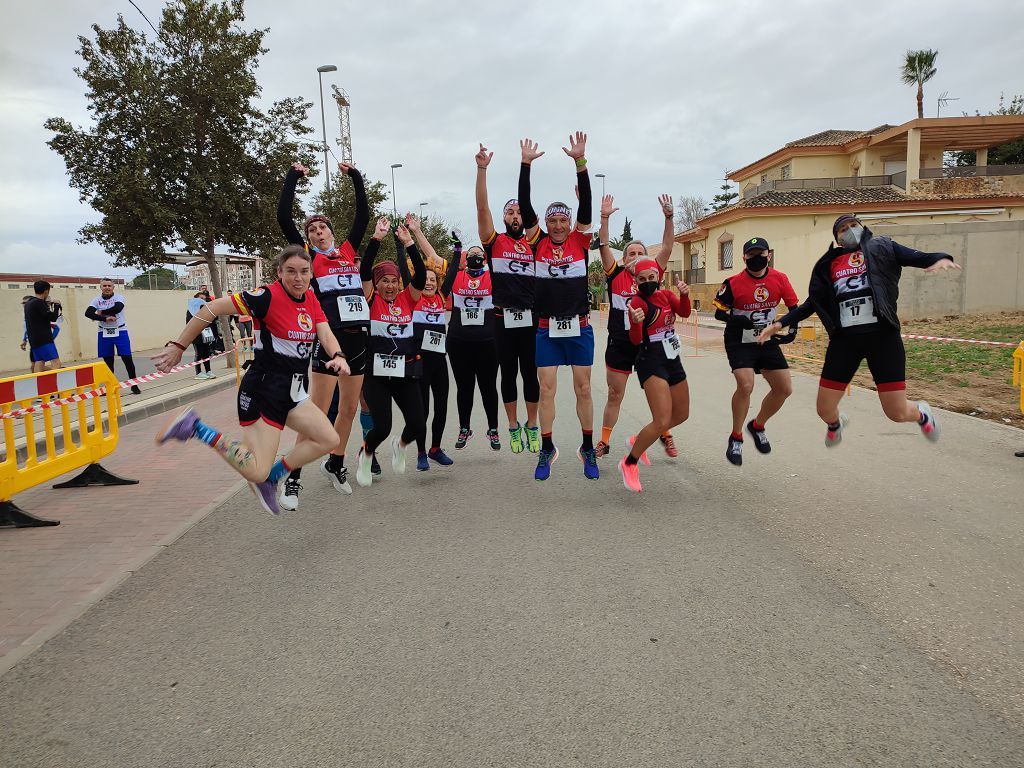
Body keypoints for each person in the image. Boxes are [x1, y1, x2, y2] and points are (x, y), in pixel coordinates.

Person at [153, 245, 350, 516]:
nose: (298, 278)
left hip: (293, 392)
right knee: (257, 469)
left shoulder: (311, 299)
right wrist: (179, 344)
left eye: (304, 272)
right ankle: (196, 427)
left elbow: (325, 334)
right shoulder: (265, 297)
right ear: (279, 272)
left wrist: (338, 355)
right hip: (264, 390)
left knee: (328, 439)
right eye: (290, 272)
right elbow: (211, 308)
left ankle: (272, 478)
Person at [758, 214, 961, 445]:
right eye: (842, 229)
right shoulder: (829, 263)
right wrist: (778, 324)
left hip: (882, 337)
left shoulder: (882, 247)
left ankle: (922, 413)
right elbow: (811, 303)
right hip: (845, 341)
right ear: (838, 239)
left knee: (896, 412)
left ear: (863, 228)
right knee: (824, 409)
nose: (850, 230)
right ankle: (836, 423)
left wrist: (941, 258)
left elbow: (917, 256)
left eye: (853, 225)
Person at [276, 160, 369, 509]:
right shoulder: (308, 259)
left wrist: (355, 178)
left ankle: (336, 463)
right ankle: (295, 477)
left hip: (359, 341)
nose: (317, 232)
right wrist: (293, 177)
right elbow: (284, 217)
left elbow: (363, 214)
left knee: (347, 411)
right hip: (331, 344)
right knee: (317, 410)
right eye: (312, 229)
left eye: (322, 227)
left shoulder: (346, 251)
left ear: (331, 231)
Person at [518, 132, 598, 481]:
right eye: (553, 221)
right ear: (545, 224)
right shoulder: (536, 243)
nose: (559, 225)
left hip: (578, 326)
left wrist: (580, 164)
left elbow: (587, 207)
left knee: (582, 388)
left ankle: (587, 446)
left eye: (563, 220)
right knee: (546, 388)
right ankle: (547, 447)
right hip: (547, 329)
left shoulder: (581, 240)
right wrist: (525, 165)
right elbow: (524, 206)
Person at [596, 193, 679, 459]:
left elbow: (667, 246)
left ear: (647, 258)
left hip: (649, 344)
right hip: (620, 344)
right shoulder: (615, 273)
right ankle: (604, 441)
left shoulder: (653, 273)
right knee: (614, 393)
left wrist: (669, 218)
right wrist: (605, 218)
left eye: (640, 253)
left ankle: (665, 434)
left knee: (659, 394)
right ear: (623, 259)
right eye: (630, 253)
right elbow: (604, 245)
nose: (635, 257)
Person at [475, 143, 540, 453]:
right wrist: (482, 169)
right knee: (509, 374)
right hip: (502, 317)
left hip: (530, 317)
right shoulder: (494, 241)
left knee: (531, 373)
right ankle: (512, 426)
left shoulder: (533, 243)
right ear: (503, 218)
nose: (515, 215)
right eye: (510, 211)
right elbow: (481, 209)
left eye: (518, 212)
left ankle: (532, 424)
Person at [355, 216, 428, 487]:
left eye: (393, 281)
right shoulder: (370, 298)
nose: (390, 285)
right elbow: (364, 275)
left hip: (405, 370)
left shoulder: (407, 298)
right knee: (382, 427)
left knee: (418, 426)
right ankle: (367, 452)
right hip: (376, 375)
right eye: (384, 281)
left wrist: (409, 243)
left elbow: (420, 275)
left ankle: (401, 445)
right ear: (376, 284)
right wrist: (376, 238)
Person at [713, 238, 799, 465]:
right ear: (744, 259)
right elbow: (719, 313)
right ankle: (736, 437)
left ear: (768, 254)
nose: (756, 258)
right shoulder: (732, 283)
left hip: (766, 338)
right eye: (751, 255)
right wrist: (736, 318)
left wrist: (793, 330)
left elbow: (794, 308)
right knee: (746, 384)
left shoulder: (780, 278)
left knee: (784, 389)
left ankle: (757, 425)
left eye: (760, 253)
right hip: (739, 340)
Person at [619, 261, 692, 492]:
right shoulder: (637, 302)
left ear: (658, 277)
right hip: (650, 359)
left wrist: (684, 295)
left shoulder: (666, 296)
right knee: (661, 419)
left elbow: (685, 312)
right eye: (642, 279)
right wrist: (636, 322)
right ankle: (629, 462)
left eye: (651, 277)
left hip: (673, 356)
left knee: (681, 414)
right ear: (636, 282)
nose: (647, 282)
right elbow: (635, 340)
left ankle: (641, 438)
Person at [397, 220, 455, 471]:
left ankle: (435, 448)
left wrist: (459, 250)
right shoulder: (414, 298)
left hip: (439, 361)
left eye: (433, 279)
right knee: (423, 409)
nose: (429, 282)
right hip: (418, 362)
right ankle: (420, 452)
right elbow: (404, 269)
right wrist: (401, 246)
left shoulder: (442, 296)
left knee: (441, 406)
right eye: (425, 279)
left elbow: (450, 272)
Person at [85, 278, 142, 395]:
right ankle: (109, 387)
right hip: (104, 332)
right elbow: (88, 313)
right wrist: (104, 318)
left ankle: (134, 385)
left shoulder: (118, 297)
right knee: (108, 361)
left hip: (120, 330)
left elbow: (117, 308)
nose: (107, 288)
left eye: (109, 286)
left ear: (113, 287)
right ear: (100, 287)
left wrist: (100, 312)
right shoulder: (96, 300)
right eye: (104, 286)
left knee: (127, 359)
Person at [23, 280, 62, 373]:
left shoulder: (28, 303)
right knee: (56, 363)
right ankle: (56, 385)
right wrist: (57, 306)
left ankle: (39, 385)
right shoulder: (39, 303)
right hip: (44, 339)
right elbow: (52, 318)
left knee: (39, 362)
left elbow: (42, 316)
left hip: (34, 340)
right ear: (46, 291)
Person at [186, 293, 217, 380]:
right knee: (199, 354)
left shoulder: (205, 310)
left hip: (205, 334)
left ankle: (208, 370)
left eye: (204, 298)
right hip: (196, 335)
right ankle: (198, 372)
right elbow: (189, 323)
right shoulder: (190, 311)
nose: (203, 300)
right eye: (201, 298)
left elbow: (212, 320)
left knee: (206, 353)